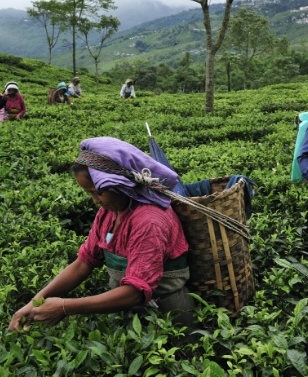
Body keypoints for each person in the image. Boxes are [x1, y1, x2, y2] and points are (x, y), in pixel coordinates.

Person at [8, 137, 197, 333]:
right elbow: (84, 263)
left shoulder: (149, 220)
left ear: (119, 184)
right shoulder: (109, 212)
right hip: (124, 310)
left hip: (167, 317)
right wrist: (36, 301)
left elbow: (135, 292)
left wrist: (65, 307)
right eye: (90, 194)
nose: (95, 201)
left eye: (97, 193)